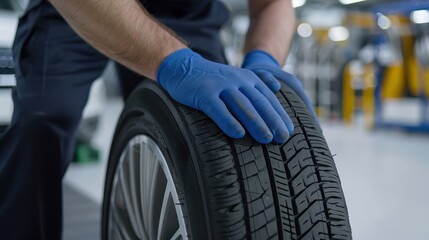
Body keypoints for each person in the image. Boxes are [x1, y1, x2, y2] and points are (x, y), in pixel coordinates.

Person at [0, 0, 316, 239]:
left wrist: (264, 56)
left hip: (185, 13)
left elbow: (272, 3)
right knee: (41, 121)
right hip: (78, 11)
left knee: (217, 136)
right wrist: (177, 65)